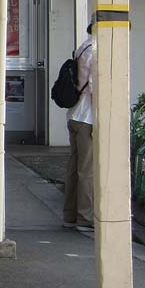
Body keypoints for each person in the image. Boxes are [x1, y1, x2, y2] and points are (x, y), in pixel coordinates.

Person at [63, 24, 95, 229]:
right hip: (88, 117)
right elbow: (95, 87)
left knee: (74, 168)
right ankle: (86, 217)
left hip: (74, 114)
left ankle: (70, 214)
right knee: (87, 170)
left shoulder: (82, 47)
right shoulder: (98, 51)